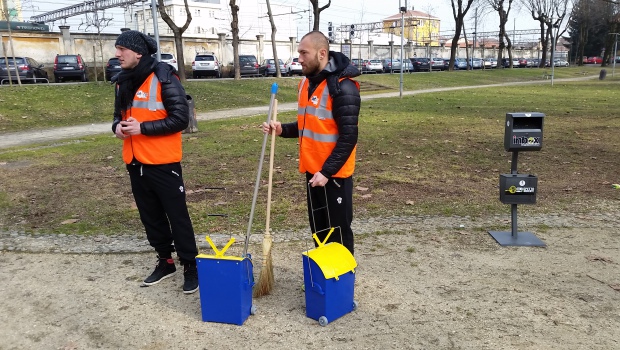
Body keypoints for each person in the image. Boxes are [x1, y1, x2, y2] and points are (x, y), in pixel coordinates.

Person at [111, 30, 199, 294]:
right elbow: (117, 116)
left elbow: (181, 119)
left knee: (177, 217)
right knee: (150, 217)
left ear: (138, 52)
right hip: (135, 162)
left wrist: (143, 128)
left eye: (122, 49)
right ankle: (165, 261)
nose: (117, 54)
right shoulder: (121, 82)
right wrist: (116, 127)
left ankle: (190, 265)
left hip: (163, 163)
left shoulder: (164, 77)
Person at [262, 31, 361, 255]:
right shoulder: (305, 85)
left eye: (304, 53)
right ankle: (323, 280)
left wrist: (327, 172)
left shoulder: (344, 88)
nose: (300, 58)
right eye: (299, 53)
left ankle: (341, 282)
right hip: (313, 173)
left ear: (322, 53)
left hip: (334, 176)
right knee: (319, 231)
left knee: (338, 234)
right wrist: (282, 129)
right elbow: (307, 125)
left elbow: (349, 137)